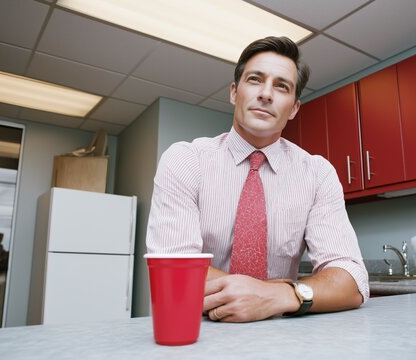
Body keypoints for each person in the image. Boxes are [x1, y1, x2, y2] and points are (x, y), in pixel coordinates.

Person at [146, 36, 369, 323]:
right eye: (255, 80)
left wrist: (278, 295)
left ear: (294, 109)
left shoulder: (317, 174)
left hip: (282, 335)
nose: (266, 94)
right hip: (194, 329)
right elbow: (174, 270)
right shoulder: (185, 160)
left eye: (281, 86)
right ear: (234, 93)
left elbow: (352, 281)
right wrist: (273, 291)